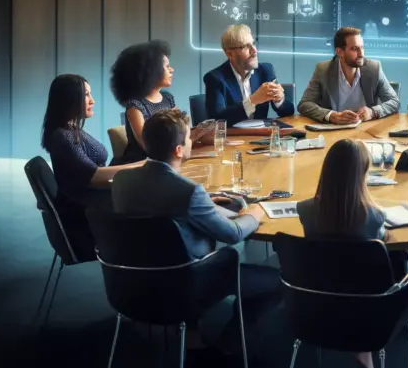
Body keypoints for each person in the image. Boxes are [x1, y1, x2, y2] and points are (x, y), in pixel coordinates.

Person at [111, 108, 279, 359]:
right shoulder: (188, 192)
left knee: (170, 247)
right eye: (189, 139)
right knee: (276, 283)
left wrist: (205, 202)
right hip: (185, 283)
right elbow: (232, 234)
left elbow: (158, 206)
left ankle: (192, 334)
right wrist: (255, 213)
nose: (191, 142)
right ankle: (230, 344)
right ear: (179, 150)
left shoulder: (121, 180)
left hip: (129, 283)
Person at [297, 138, 408, 368]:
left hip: (316, 297)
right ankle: (363, 349)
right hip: (368, 302)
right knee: (400, 251)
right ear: (361, 175)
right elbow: (381, 244)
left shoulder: (305, 209)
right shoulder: (374, 216)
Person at [40, 75, 144, 258]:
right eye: (86, 95)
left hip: (96, 201)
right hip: (89, 214)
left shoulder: (72, 129)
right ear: (69, 99)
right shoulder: (63, 137)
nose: (92, 100)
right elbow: (93, 176)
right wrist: (143, 165)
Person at [109, 40, 209, 164]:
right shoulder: (135, 107)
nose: (172, 70)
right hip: (145, 166)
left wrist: (198, 132)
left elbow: (181, 130)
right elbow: (148, 147)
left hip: (171, 159)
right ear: (151, 72)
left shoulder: (168, 98)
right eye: (167, 67)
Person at [297, 27, 399, 123]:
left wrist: (373, 112)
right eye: (354, 49)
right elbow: (304, 104)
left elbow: (394, 101)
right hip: (334, 130)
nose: (361, 54)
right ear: (339, 52)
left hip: (366, 129)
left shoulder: (374, 68)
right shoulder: (323, 70)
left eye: (362, 47)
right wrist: (331, 115)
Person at [203, 24, 294, 124]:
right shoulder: (215, 78)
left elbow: (289, 112)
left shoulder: (266, 71)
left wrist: (279, 100)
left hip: (261, 137)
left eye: (253, 43)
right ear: (230, 54)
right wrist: (252, 101)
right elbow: (217, 120)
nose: (254, 50)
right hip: (233, 138)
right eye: (246, 46)